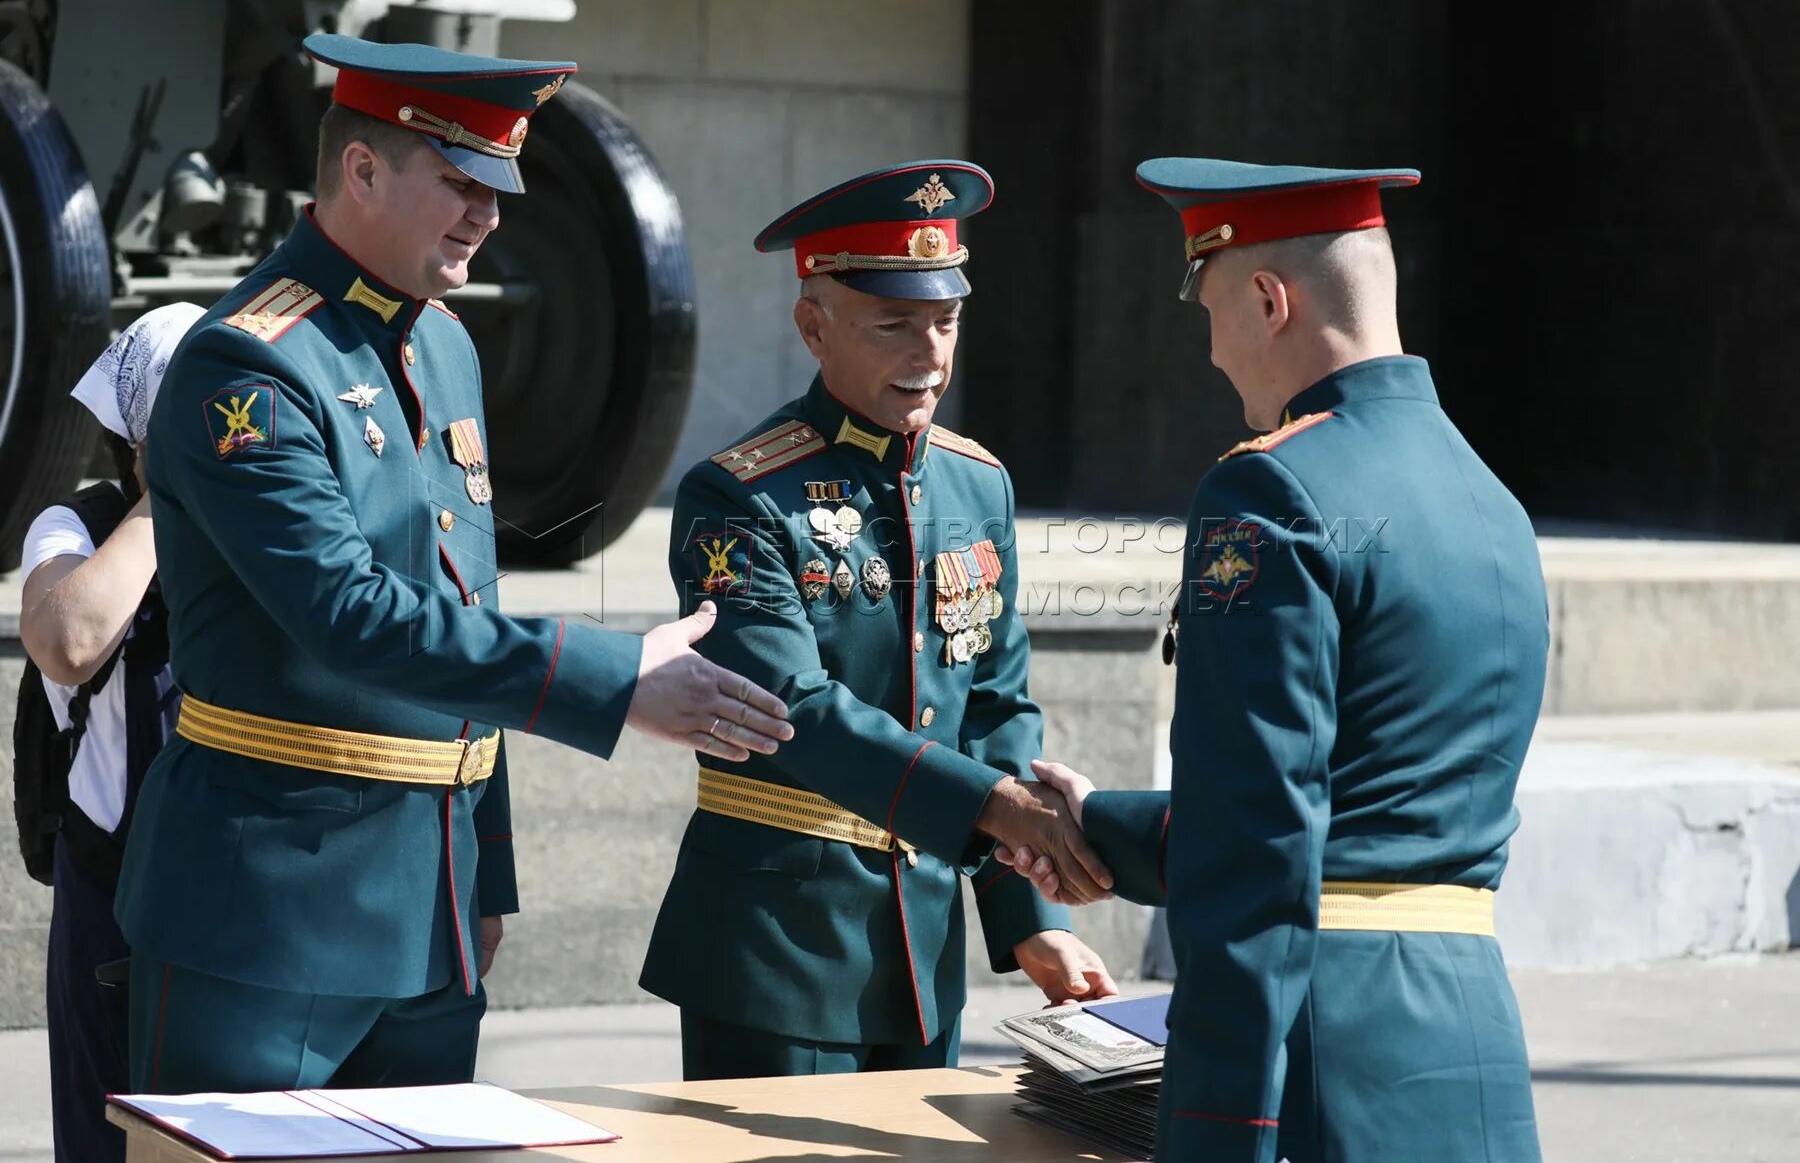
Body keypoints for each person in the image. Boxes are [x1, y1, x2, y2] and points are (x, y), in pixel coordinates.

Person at [113, 35, 792, 1095]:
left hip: (433, 913)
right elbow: (347, 614)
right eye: (461, 180)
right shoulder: (246, 359)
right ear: (363, 170)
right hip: (268, 916)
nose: (490, 211)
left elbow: (465, 605)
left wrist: (490, 866)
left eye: (498, 186)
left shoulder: (446, 346)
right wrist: (615, 681)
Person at [999, 159, 1550, 1161]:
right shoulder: (1492, 504)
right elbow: (1365, 805)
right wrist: (1098, 830)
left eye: (1208, 310)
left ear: (1267, 299)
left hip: (1319, 1054)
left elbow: (1260, 845)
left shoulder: (1274, 493)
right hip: (1471, 1048)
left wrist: (1216, 1132)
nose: (1211, 355)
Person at [639, 160, 1118, 1079]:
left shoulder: (976, 483)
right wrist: (994, 809)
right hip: (778, 952)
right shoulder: (738, 495)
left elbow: (995, 707)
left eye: (946, 323)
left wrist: (1033, 925)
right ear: (813, 326)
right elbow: (792, 711)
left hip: (923, 949)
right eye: (894, 324)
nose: (930, 354)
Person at [19, 304, 201, 1160]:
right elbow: (69, 640)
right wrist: (173, 487)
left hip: (248, 900)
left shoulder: (283, 523)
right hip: (114, 903)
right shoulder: (79, 528)